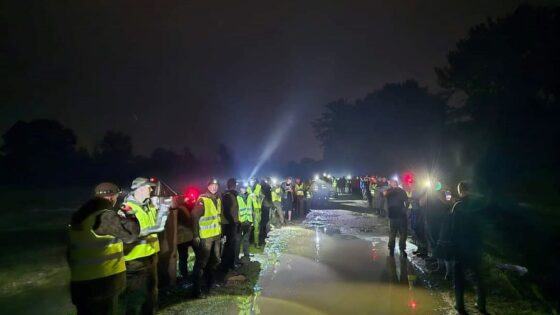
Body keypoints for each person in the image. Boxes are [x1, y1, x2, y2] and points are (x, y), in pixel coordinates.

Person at [67, 182, 138, 315]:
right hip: (103, 283)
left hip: (80, 283)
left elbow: (70, 252)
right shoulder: (104, 216)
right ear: (111, 198)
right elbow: (131, 236)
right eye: (116, 196)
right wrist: (130, 215)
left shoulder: (79, 216)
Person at [121, 177, 162, 315]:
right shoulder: (126, 209)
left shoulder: (149, 205)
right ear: (139, 189)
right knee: (135, 299)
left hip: (151, 256)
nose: (151, 189)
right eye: (148, 187)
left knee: (152, 293)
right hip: (135, 261)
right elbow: (125, 235)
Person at [450, 181, 488, 314]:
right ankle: (481, 304)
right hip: (475, 246)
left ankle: (460, 305)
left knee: (459, 277)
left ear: (460, 191)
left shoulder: (457, 206)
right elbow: (483, 227)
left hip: (460, 247)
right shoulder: (477, 206)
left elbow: (453, 229)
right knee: (478, 276)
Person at [191, 178, 222, 298]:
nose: (214, 187)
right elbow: (194, 215)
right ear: (207, 186)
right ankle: (196, 291)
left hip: (216, 235)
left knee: (215, 261)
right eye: (212, 185)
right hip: (206, 237)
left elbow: (217, 218)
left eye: (216, 185)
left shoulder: (217, 199)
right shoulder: (203, 199)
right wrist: (195, 235)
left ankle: (209, 286)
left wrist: (220, 233)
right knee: (201, 264)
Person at [384, 179, 409, 257]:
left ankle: (398, 249)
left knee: (398, 234)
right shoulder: (392, 191)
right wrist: (405, 209)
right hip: (397, 215)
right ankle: (395, 249)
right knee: (399, 234)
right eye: (392, 182)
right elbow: (407, 202)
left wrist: (405, 209)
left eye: (393, 182)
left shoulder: (398, 191)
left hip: (398, 215)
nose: (393, 184)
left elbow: (407, 201)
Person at [221, 178, 240, 273]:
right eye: (235, 184)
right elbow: (227, 212)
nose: (236, 186)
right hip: (228, 225)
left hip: (232, 223)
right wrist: (233, 222)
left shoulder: (232, 195)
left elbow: (234, 211)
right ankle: (225, 267)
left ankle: (231, 265)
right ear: (233, 185)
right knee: (229, 246)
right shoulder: (228, 196)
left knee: (232, 245)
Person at [176, 193, 195, 288]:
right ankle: (186, 279)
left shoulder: (177, 209)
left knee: (183, 258)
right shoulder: (182, 209)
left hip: (182, 238)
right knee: (184, 258)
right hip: (185, 236)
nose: (187, 200)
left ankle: (186, 278)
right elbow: (189, 220)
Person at [236, 184, 254, 262]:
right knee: (238, 240)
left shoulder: (249, 197)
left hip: (248, 221)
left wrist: (251, 220)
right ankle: (236, 257)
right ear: (240, 189)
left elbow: (251, 208)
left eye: (245, 188)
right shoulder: (237, 197)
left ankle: (246, 254)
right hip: (240, 222)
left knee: (246, 239)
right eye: (243, 188)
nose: (244, 189)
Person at [247, 177, 263, 247]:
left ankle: (256, 243)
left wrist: (258, 197)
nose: (252, 181)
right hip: (249, 211)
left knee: (256, 227)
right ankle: (248, 241)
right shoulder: (247, 188)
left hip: (257, 210)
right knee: (248, 227)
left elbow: (262, 197)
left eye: (253, 180)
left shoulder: (259, 187)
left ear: (256, 181)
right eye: (251, 180)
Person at [259, 178, 273, 246]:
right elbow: (266, 197)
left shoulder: (266, 187)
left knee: (265, 222)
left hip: (266, 206)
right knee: (264, 222)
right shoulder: (265, 187)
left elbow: (269, 197)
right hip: (265, 206)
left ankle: (263, 237)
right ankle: (261, 239)